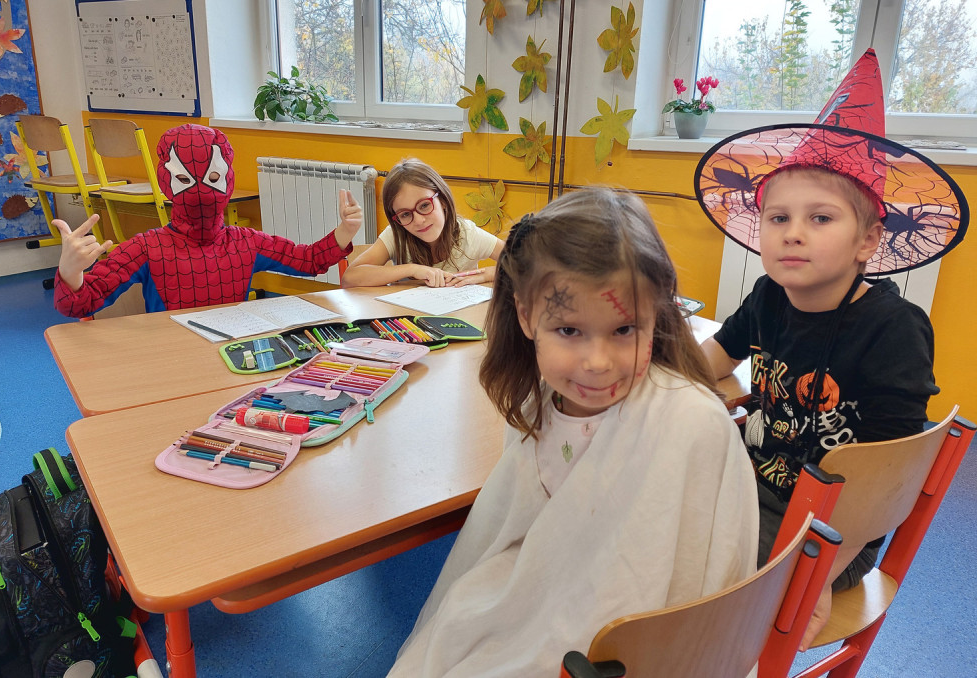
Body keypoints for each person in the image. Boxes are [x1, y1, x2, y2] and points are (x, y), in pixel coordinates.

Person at [388, 187, 759, 677]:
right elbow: (523, 525)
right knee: (450, 635)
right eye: (569, 331)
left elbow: (697, 579)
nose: (598, 362)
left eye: (624, 330)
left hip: (620, 642)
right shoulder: (537, 402)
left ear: (657, 315)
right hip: (543, 589)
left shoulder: (691, 422)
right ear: (525, 316)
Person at [694, 48, 969, 648]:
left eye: (820, 219)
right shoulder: (769, 294)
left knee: (699, 587)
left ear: (868, 240)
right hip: (749, 481)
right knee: (644, 522)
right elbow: (710, 362)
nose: (792, 232)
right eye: (777, 218)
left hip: (831, 531)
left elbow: (892, 473)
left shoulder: (894, 330)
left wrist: (820, 576)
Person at [52, 123, 362, 316]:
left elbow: (308, 260)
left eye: (213, 178)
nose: (201, 190)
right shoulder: (146, 248)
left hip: (233, 353)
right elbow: (79, 303)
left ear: (226, 179)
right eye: (185, 180)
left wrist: (345, 231)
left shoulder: (247, 242)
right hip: (170, 356)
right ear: (167, 182)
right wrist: (70, 271)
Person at [340, 157, 504, 288]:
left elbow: (520, 263)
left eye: (424, 205)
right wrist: (413, 269)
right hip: (409, 318)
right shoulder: (396, 235)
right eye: (405, 214)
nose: (419, 220)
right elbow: (350, 278)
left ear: (442, 200)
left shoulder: (467, 234)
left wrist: (487, 274)